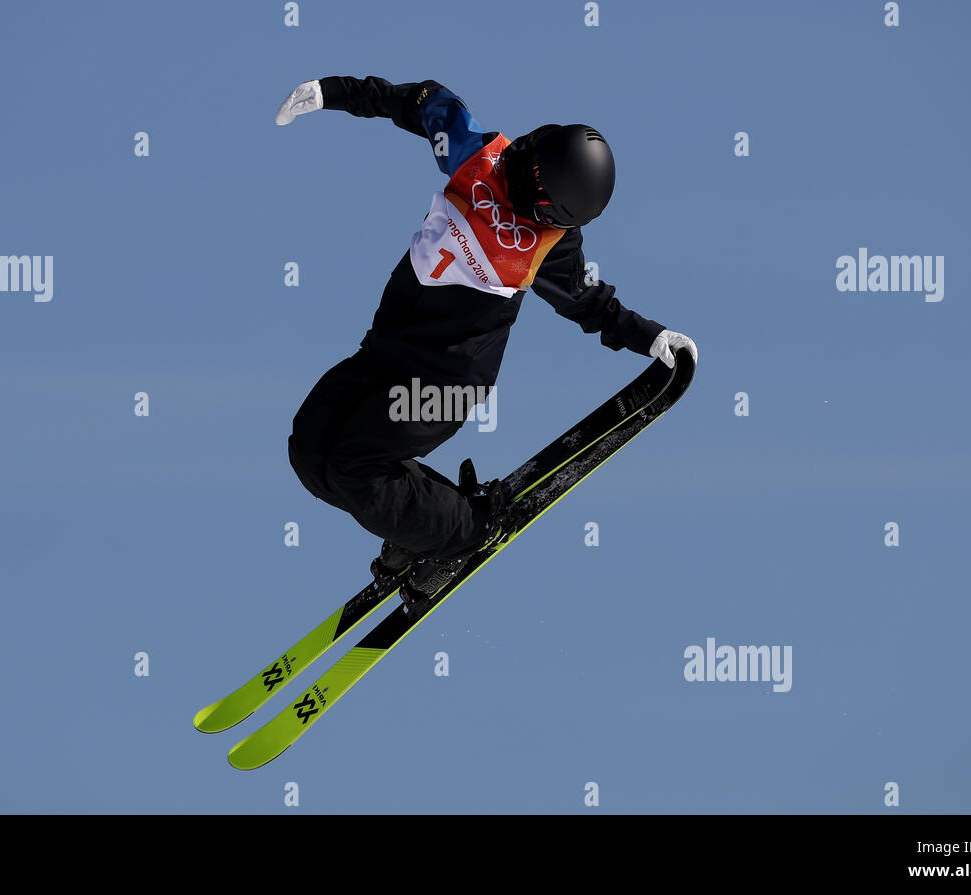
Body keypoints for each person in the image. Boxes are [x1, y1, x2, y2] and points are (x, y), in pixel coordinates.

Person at [275, 76, 697, 603]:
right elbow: (416, 101)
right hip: (384, 355)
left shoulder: (549, 247)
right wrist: (331, 92)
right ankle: (419, 532)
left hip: (444, 388)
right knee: (311, 450)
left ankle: (471, 530)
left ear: (551, 210)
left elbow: (593, 306)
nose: (519, 181)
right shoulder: (478, 155)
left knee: (354, 467)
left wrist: (653, 338)